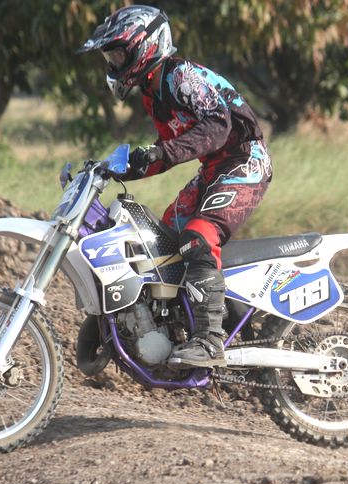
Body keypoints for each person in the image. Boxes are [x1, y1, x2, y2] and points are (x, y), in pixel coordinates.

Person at [77, 5, 272, 369]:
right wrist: (118, 169)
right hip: (214, 168)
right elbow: (168, 152)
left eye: (118, 54)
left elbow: (217, 128)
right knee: (163, 244)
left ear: (145, 46)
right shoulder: (153, 94)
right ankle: (172, 323)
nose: (114, 63)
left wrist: (159, 152)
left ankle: (210, 342)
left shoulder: (181, 76)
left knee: (198, 237)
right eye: (111, 57)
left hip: (245, 161)